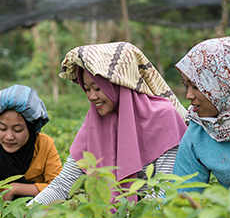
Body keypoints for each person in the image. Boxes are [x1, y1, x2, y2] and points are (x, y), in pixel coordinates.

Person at [28, 41, 187, 206]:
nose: (91, 97)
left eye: (97, 88)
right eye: (87, 89)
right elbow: (62, 185)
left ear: (118, 83)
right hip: (113, 217)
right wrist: (27, 213)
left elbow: (165, 189)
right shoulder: (96, 121)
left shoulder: (163, 116)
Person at [0, 84, 63, 201]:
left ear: (30, 128)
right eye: (2, 128)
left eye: (18, 130)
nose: (9, 137)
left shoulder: (44, 145)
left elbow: (59, 188)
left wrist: (14, 188)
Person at [173, 36, 230, 193]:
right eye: (187, 86)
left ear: (227, 84)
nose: (189, 96)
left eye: (196, 87)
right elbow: (182, 194)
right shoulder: (200, 130)